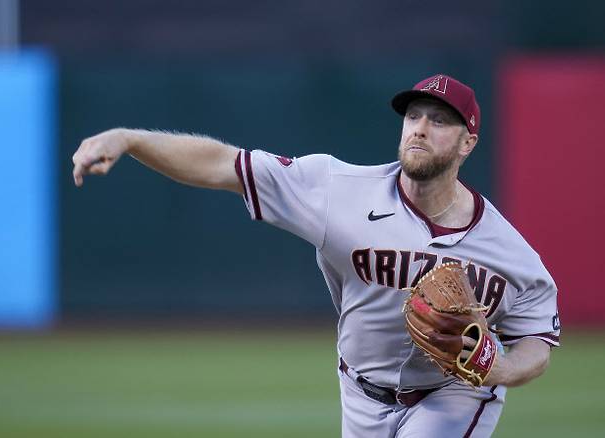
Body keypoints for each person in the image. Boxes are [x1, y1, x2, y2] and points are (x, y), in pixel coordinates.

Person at [72, 74, 560, 437]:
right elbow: (224, 165)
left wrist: (502, 370)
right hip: (359, 389)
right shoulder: (336, 189)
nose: (419, 129)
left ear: (468, 142)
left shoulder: (508, 251)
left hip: (453, 394)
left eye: (439, 122)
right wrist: (130, 140)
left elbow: (538, 337)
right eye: (413, 116)